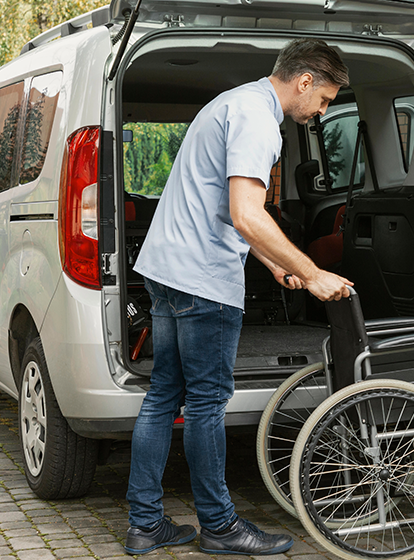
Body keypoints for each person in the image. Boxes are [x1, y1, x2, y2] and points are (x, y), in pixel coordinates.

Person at [124, 39, 352, 556]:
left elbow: (224, 207)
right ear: (305, 81)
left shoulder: (232, 102)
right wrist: (312, 273)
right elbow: (248, 213)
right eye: (325, 100)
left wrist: (273, 261)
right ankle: (221, 528)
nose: (320, 112)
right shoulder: (257, 119)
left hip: (166, 270)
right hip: (202, 279)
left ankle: (145, 524)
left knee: (164, 395)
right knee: (206, 404)